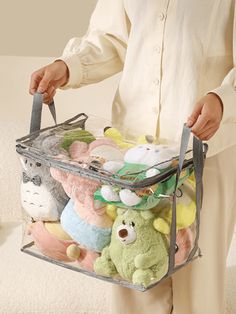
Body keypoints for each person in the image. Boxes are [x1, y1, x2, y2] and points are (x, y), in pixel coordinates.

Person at [29, 1, 236, 313]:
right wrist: (68, 66)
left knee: (199, 290)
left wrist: (224, 99)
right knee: (133, 271)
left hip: (204, 147)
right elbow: (112, 38)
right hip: (132, 155)